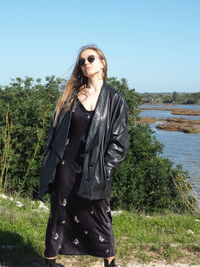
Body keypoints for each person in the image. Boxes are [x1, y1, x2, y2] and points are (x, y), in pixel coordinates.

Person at [38, 44, 129, 267]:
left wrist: (104, 170)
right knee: (59, 213)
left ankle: (110, 262)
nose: (85, 64)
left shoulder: (115, 99)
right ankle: (50, 261)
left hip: (94, 168)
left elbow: (119, 143)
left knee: (100, 215)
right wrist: (51, 163)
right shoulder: (71, 95)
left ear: (102, 63)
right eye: (81, 61)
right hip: (65, 166)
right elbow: (56, 132)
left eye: (90, 59)